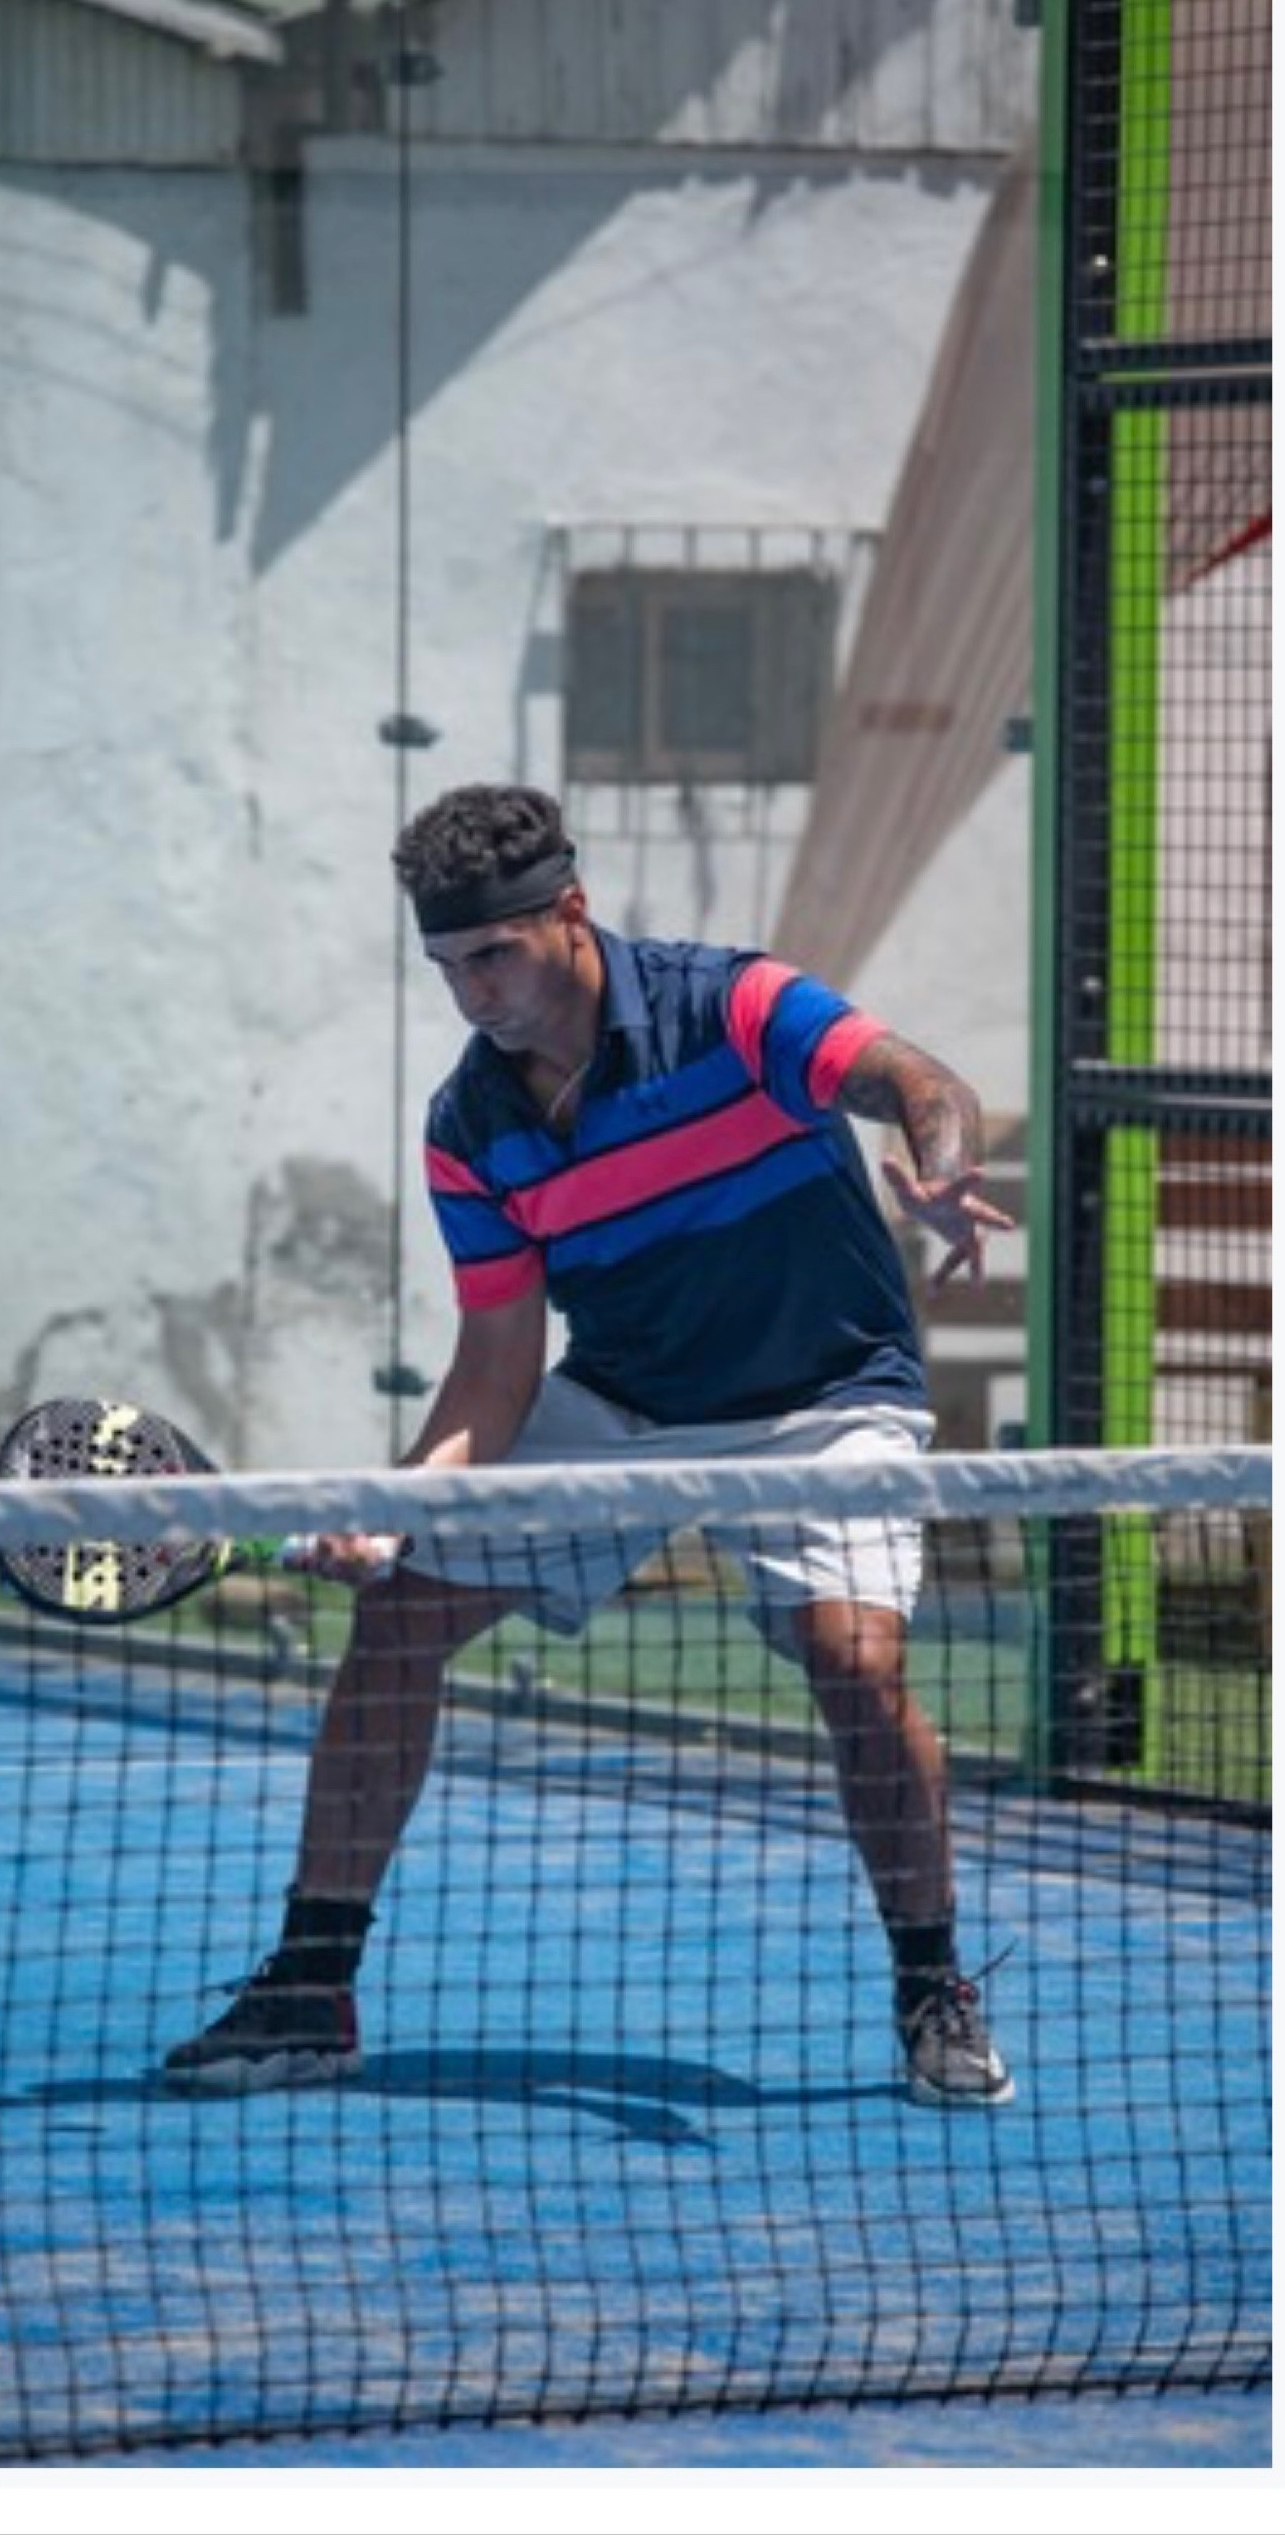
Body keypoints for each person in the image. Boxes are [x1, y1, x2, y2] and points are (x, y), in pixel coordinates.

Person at [164, 784, 1017, 2107]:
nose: (474, 994)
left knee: (855, 1665)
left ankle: (932, 1988)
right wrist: (398, 1507)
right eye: (448, 966)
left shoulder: (736, 1007)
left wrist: (942, 1164)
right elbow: (495, 1370)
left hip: (828, 1400)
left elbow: (917, 1081)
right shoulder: (471, 1129)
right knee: (397, 1620)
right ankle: (310, 1988)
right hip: (624, 1403)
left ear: (569, 910)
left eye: (493, 955)